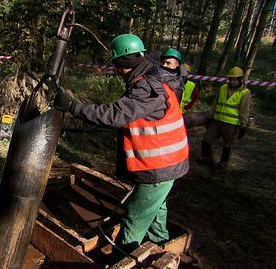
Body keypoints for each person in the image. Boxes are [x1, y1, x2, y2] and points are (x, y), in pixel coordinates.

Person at [54, 34, 189, 253]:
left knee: (134, 217)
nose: (116, 71)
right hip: (168, 163)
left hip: (159, 166)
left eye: (117, 65)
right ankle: (163, 247)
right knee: (155, 208)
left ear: (123, 63)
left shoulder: (147, 87)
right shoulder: (151, 75)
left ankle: (124, 257)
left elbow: (115, 115)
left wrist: (73, 107)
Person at [201, 66, 251, 168]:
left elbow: (244, 110)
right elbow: (215, 103)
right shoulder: (223, 88)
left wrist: (243, 126)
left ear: (240, 79)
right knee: (206, 140)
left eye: (234, 80)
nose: (232, 82)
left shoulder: (245, 93)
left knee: (227, 145)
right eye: (230, 79)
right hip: (216, 121)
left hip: (231, 124)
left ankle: (223, 164)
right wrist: (210, 117)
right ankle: (206, 160)